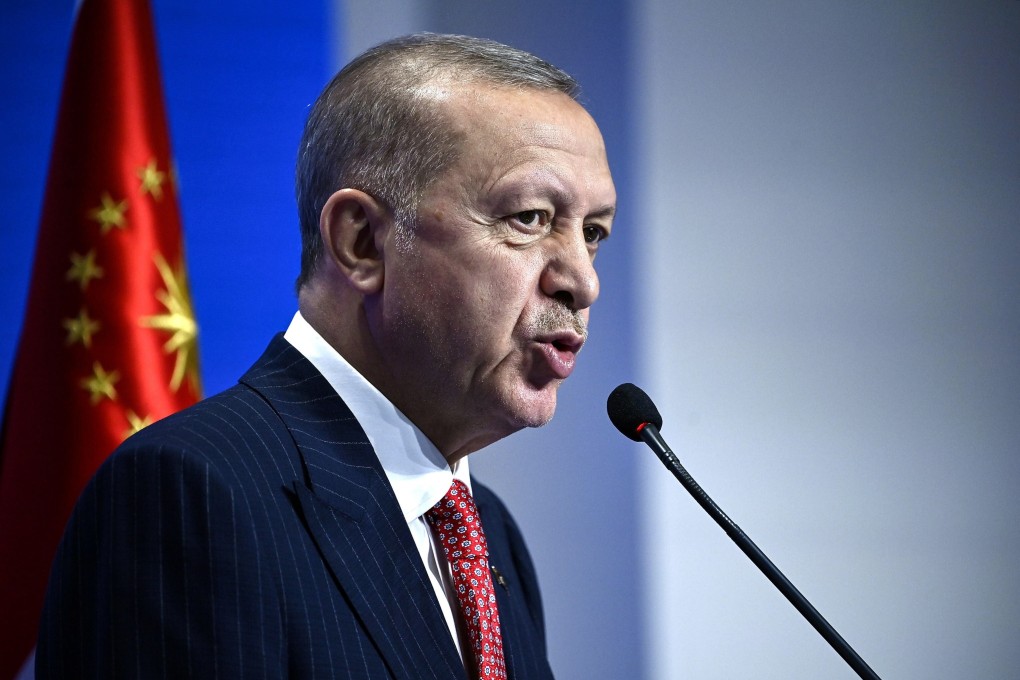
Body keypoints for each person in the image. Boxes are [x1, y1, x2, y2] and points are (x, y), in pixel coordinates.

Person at [36, 33, 616, 679]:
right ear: (362, 242)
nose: (583, 282)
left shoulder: (489, 534)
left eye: (593, 233)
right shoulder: (192, 494)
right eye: (530, 218)